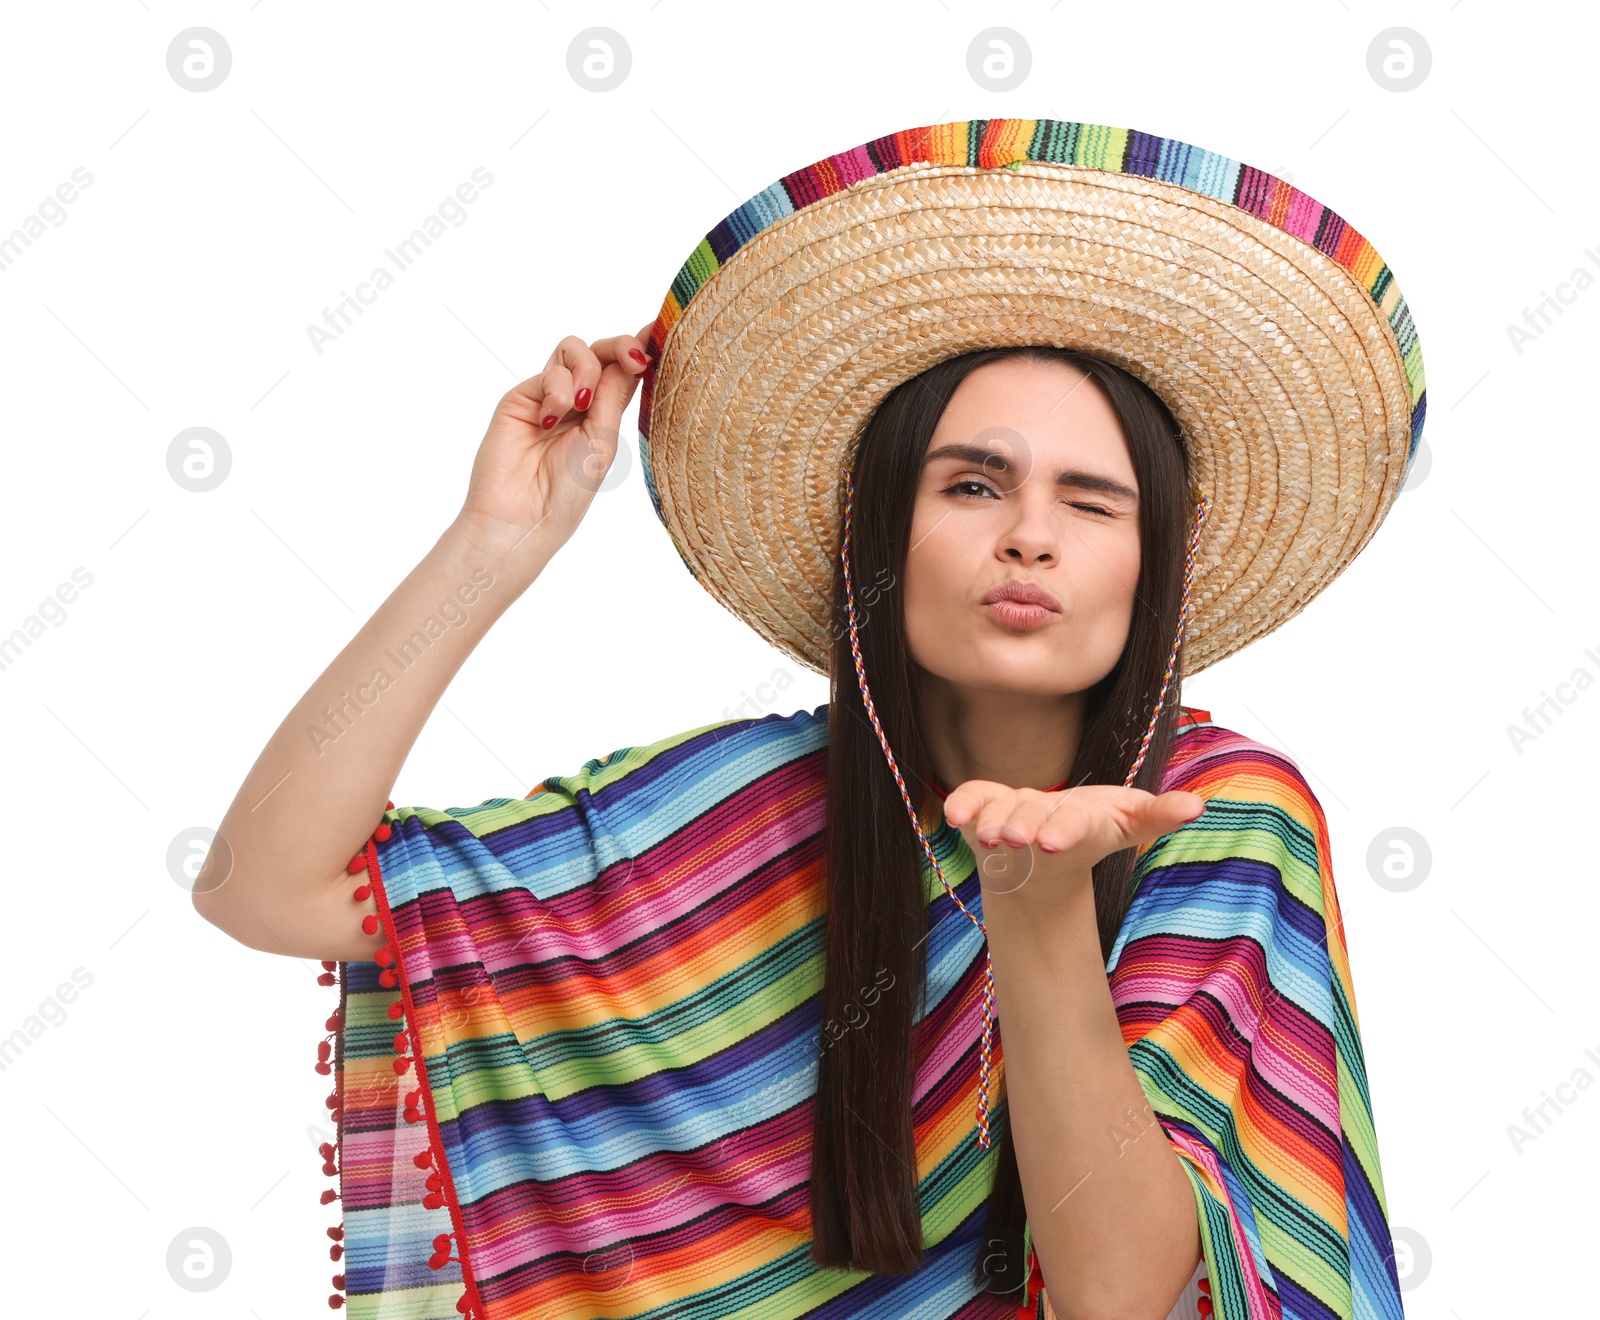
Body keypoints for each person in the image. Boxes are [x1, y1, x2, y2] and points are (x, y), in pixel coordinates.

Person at [193, 117, 1421, 1320]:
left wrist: (1034, 907)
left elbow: (1121, 1292)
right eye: (973, 483)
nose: (1029, 534)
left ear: (1157, 568)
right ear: (877, 531)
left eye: (1092, 504)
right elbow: (263, 884)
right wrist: (495, 545)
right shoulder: (741, 811)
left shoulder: (1218, 810)